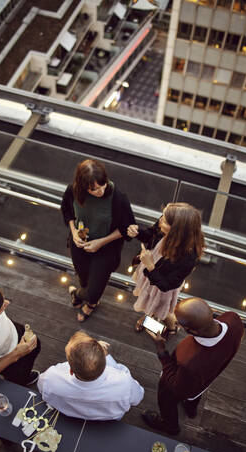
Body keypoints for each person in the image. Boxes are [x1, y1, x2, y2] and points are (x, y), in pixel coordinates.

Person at [142, 297, 244, 435]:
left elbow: (175, 386)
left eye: (179, 324)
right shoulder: (233, 318)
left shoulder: (191, 363)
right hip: (207, 377)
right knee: (195, 393)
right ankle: (191, 409)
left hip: (177, 380)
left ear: (192, 331)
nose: (176, 324)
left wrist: (161, 351)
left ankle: (170, 426)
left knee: (167, 399)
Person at [61, 158, 135, 322]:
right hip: (80, 243)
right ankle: (87, 297)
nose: (100, 191)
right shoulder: (73, 190)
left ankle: (85, 299)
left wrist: (100, 242)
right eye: (93, 189)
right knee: (84, 278)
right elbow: (67, 211)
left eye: (103, 185)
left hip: (106, 248)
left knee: (93, 290)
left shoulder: (118, 198)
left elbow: (127, 228)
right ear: (82, 186)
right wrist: (73, 232)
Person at [127, 202, 204, 334]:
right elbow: (151, 234)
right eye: (162, 216)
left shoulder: (189, 257)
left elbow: (166, 285)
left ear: (176, 230)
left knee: (163, 310)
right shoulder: (167, 221)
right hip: (151, 273)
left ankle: (171, 329)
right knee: (150, 302)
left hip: (162, 286)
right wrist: (137, 233)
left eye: (164, 221)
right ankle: (148, 316)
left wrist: (150, 265)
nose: (160, 221)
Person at [38, 331, 144, 420]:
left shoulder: (51, 378)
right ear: (104, 365)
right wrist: (106, 357)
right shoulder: (124, 382)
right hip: (108, 422)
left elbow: (41, 387)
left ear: (71, 371)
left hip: (65, 416)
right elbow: (138, 397)